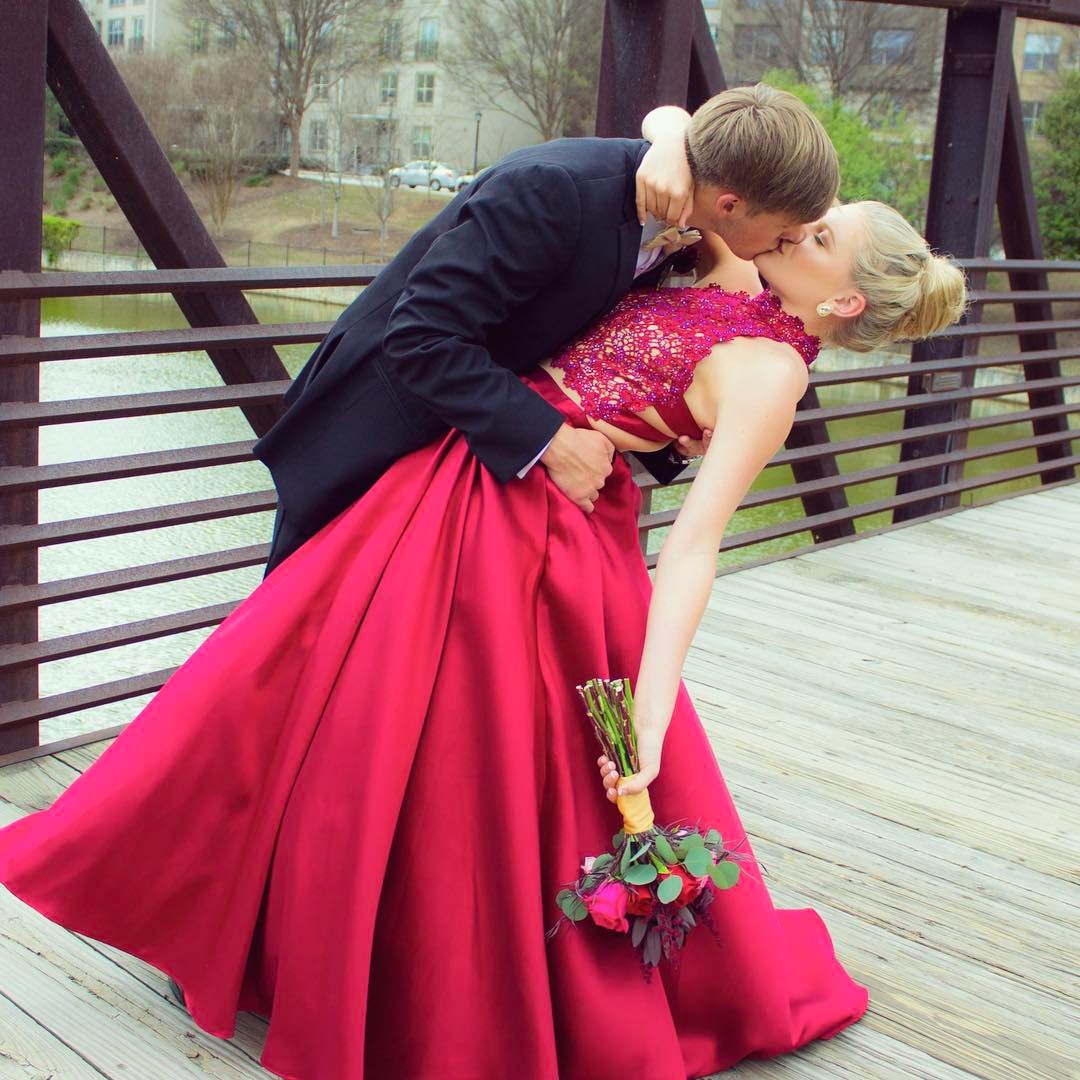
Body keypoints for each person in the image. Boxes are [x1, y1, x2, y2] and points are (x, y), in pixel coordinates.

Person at [0, 103, 968, 1078]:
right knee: (287, 698)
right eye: (809, 217)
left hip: (549, 525)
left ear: (841, 301)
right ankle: (238, 923)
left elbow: (697, 551)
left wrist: (653, 724)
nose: (807, 225)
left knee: (452, 766)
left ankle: (389, 977)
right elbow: (694, 142)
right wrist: (672, 134)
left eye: (825, 233)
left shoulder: (769, 374)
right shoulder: (735, 259)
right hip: (464, 465)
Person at [251, 84, 840, 575]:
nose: (782, 248)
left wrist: (670, 435)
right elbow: (421, 335)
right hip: (374, 433)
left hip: (464, 456)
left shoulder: (688, 216)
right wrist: (553, 444)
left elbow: (582, 340)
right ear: (732, 205)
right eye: (785, 233)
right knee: (290, 652)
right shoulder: (553, 191)